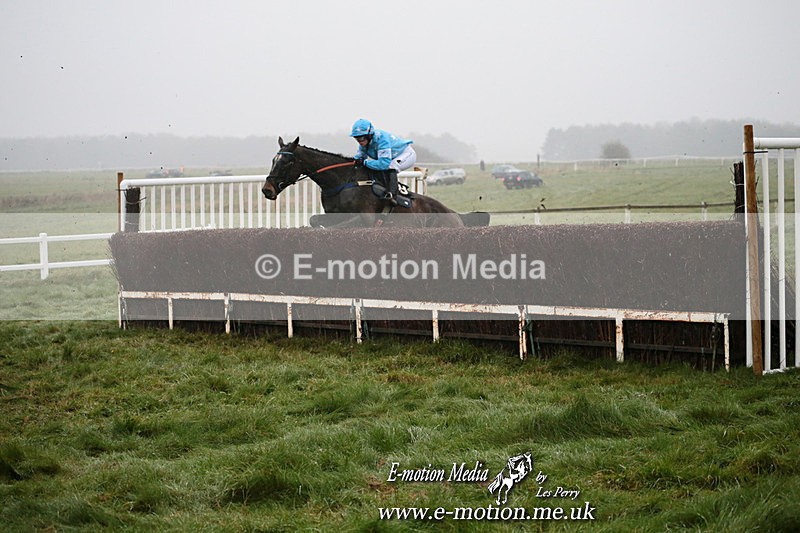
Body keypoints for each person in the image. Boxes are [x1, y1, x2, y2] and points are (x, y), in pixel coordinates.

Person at [350, 118, 416, 205]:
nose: (360, 141)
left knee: (391, 167)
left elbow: (383, 164)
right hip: (391, 158)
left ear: (370, 135)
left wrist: (365, 162)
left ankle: (392, 196)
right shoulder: (364, 143)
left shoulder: (382, 139)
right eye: (357, 138)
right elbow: (358, 158)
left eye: (362, 138)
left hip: (406, 154)